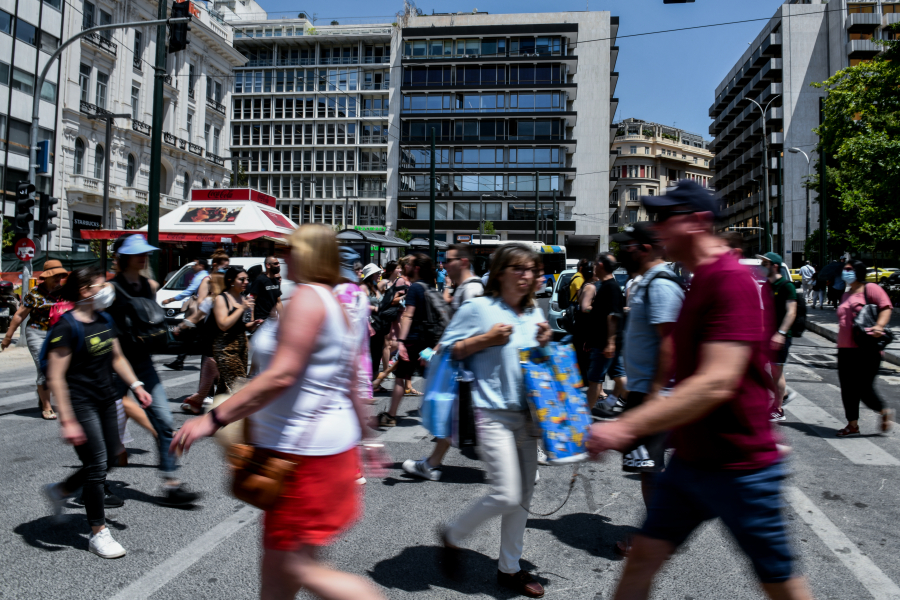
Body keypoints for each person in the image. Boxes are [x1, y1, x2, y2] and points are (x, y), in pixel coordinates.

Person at [588, 180, 813, 600]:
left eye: (663, 219)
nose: (655, 230)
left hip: (741, 467)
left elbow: (716, 381)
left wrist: (627, 425)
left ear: (697, 222)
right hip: (692, 463)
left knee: (778, 582)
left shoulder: (730, 280)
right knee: (641, 560)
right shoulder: (698, 279)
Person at [171, 225, 386, 600]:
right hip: (311, 450)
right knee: (277, 574)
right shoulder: (331, 302)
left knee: (295, 567)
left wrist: (213, 418)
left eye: (290, 250)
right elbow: (349, 376)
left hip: (301, 456)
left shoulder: (308, 299)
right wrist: (368, 439)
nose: (282, 257)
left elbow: (281, 375)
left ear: (309, 254)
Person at [438, 244, 552, 598]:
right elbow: (446, 349)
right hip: (492, 413)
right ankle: (453, 534)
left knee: (525, 492)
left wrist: (545, 343)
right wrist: (485, 339)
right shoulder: (479, 307)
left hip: (528, 414)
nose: (527, 276)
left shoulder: (533, 312)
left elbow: (539, 364)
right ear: (500, 272)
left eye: (532, 269)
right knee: (506, 493)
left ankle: (509, 568)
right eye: (519, 268)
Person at [42, 267, 153, 558]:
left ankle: (61, 490)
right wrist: (66, 419)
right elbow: (55, 377)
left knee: (113, 455)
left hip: (107, 399)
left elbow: (117, 357)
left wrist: (137, 385)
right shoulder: (67, 327)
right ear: (85, 292)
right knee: (96, 464)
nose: (107, 289)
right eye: (101, 285)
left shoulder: (104, 318)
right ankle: (98, 533)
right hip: (81, 404)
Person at [108, 234, 200, 506]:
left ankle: (171, 483)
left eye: (145, 253)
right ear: (124, 257)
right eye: (137, 253)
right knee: (105, 428)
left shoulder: (150, 286)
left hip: (142, 361)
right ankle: (94, 484)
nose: (143, 257)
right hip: (113, 363)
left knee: (163, 420)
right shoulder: (110, 288)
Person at [610, 223, 685, 557]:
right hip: (645, 391)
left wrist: (654, 395)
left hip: (655, 394)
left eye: (628, 246)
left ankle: (654, 540)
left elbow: (670, 342)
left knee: (649, 469)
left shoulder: (662, 285)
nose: (622, 251)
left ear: (645, 248)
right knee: (648, 468)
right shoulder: (647, 283)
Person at [402, 244, 485, 481]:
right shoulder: (463, 289)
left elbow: (472, 332)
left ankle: (523, 464)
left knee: (476, 419)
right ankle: (431, 463)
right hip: (463, 366)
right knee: (452, 416)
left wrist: (442, 351)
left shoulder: (471, 291)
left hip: (468, 367)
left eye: (448, 260)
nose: (444, 265)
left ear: (463, 262)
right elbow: (456, 329)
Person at [834, 259, 894, 437]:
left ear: (859, 272)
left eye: (849, 269)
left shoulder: (871, 289)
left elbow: (886, 307)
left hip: (867, 348)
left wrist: (880, 326)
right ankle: (852, 425)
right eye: (844, 270)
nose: (846, 272)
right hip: (845, 349)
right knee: (847, 387)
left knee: (863, 387)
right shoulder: (846, 294)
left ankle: (883, 411)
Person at [1, 260, 67, 420]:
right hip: (37, 333)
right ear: (46, 277)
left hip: (58, 334)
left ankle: (42, 394)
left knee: (59, 369)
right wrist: (8, 336)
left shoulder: (65, 292)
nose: (58, 278)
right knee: (44, 368)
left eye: (60, 275)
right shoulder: (35, 294)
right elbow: (19, 315)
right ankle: (46, 405)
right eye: (55, 275)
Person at [378, 253, 434, 427]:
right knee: (431, 376)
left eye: (410, 264)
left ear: (416, 268)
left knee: (400, 378)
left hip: (412, 339)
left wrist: (401, 341)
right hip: (428, 340)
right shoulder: (430, 287)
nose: (406, 267)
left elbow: (408, 315)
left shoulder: (416, 287)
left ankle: (391, 415)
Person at [178, 251, 230, 413]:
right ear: (215, 265)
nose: (225, 269)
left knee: (215, 370)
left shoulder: (227, 291)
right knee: (214, 369)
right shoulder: (208, 283)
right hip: (211, 332)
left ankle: (200, 400)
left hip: (221, 334)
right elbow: (201, 307)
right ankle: (203, 399)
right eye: (223, 265)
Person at [581, 253, 627, 417]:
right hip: (602, 342)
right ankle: (640, 407)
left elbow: (612, 316)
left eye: (595, 264)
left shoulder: (610, 287)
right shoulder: (605, 286)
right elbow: (601, 315)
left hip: (604, 345)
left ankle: (582, 421)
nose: (593, 268)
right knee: (620, 377)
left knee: (594, 381)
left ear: (600, 265)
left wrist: (610, 343)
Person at [757, 252, 797, 422]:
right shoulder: (767, 285)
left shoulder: (787, 286)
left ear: (774, 266)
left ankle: (778, 409)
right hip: (765, 335)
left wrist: (781, 333)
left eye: (765, 264)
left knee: (775, 371)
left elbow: (791, 312)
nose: (762, 267)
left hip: (780, 336)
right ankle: (784, 393)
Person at [212, 267, 262, 395]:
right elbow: (223, 324)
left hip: (241, 346)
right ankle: (244, 414)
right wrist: (242, 308)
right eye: (242, 279)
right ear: (231, 281)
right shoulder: (221, 299)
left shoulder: (244, 298)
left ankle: (216, 412)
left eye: (247, 279)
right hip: (225, 347)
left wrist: (255, 323)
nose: (246, 282)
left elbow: (246, 325)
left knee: (224, 389)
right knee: (240, 387)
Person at [161, 258, 210, 371]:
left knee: (195, 336)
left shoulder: (201, 277)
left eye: (195, 264)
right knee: (191, 336)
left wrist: (170, 299)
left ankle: (182, 361)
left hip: (199, 311)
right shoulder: (204, 275)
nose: (193, 266)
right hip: (201, 311)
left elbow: (189, 291)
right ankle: (179, 361)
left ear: (201, 266)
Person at [247, 256, 284, 324]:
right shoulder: (260, 280)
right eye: (275, 264)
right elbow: (252, 300)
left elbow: (278, 302)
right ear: (268, 265)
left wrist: (282, 318)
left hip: (273, 319)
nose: (278, 265)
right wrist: (252, 320)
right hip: (261, 319)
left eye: (278, 263)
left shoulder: (276, 281)